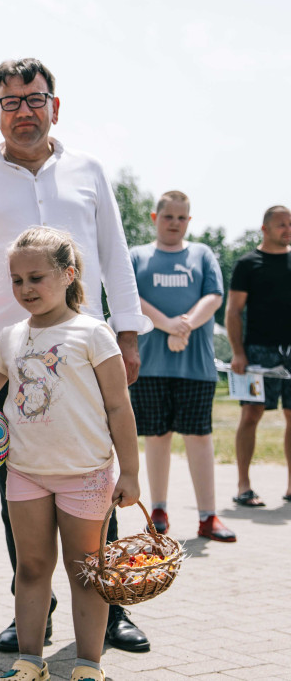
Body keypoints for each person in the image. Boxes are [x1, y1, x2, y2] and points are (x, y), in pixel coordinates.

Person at [0, 57, 153, 654]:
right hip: (2, 349)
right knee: (19, 475)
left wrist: (131, 331)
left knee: (93, 468)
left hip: (84, 342)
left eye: (34, 99)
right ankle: (30, 607)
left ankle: (110, 610)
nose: (24, 111)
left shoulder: (89, 171)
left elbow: (115, 253)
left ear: (54, 106)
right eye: (10, 102)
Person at [0, 227, 139, 681]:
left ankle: (88, 665)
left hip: (86, 475)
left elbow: (119, 406)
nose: (25, 289)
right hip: (25, 473)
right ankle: (30, 661)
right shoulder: (10, 337)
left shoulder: (93, 333)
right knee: (31, 568)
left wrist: (131, 473)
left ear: (68, 275)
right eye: (17, 280)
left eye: (36, 277)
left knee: (85, 571)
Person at [129, 191, 235, 541]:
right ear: (154, 217)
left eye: (181, 217)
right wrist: (167, 325)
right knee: (157, 438)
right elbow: (131, 300)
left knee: (199, 438)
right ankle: (158, 511)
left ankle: (208, 516)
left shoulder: (202, 254)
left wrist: (184, 324)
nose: (174, 223)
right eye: (168, 216)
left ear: (189, 221)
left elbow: (214, 296)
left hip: (196, 365)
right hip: (152, 365)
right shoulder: (137, 256)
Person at [226, 205, 291, 507]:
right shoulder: (247, 264)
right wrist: (238, 352)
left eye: (290, 224)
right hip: (257, 353)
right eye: (281, 225)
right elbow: (233, 311)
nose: (287, 229)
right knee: (251, 415)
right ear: (264, 229)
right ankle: (243, 487)